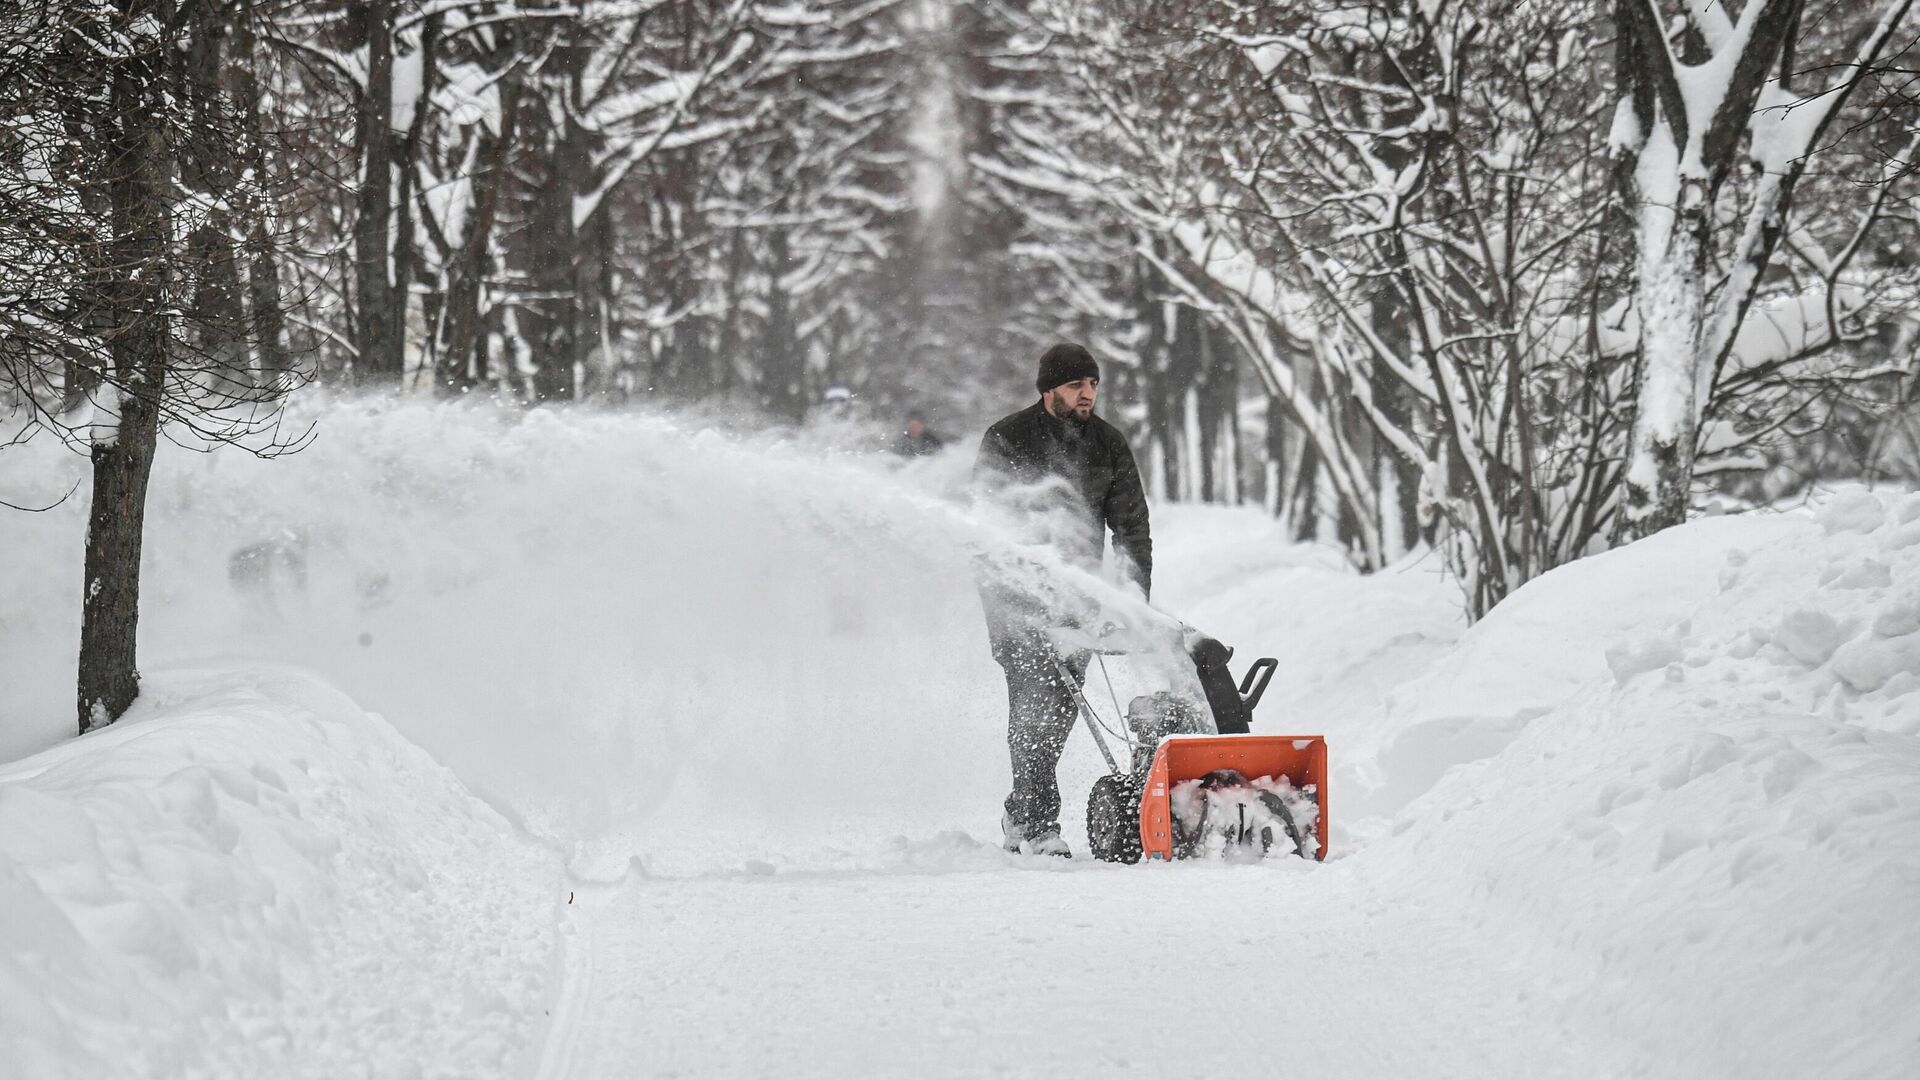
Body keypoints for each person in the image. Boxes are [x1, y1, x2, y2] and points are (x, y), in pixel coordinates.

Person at [972, 342, 1152, 857]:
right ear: (1049, 389)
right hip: (1014, 600)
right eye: (1076, 385)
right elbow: (988, 522)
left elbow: (1132, 529)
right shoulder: (1008, 438)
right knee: (1033, 709)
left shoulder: (1108, 444)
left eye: (1093, 385)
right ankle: (1039, 829)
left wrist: (1134, 596)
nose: (1087, 395)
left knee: (1061, 712)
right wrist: (1018, 587)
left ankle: (1018, 811)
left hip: (1078, 600)